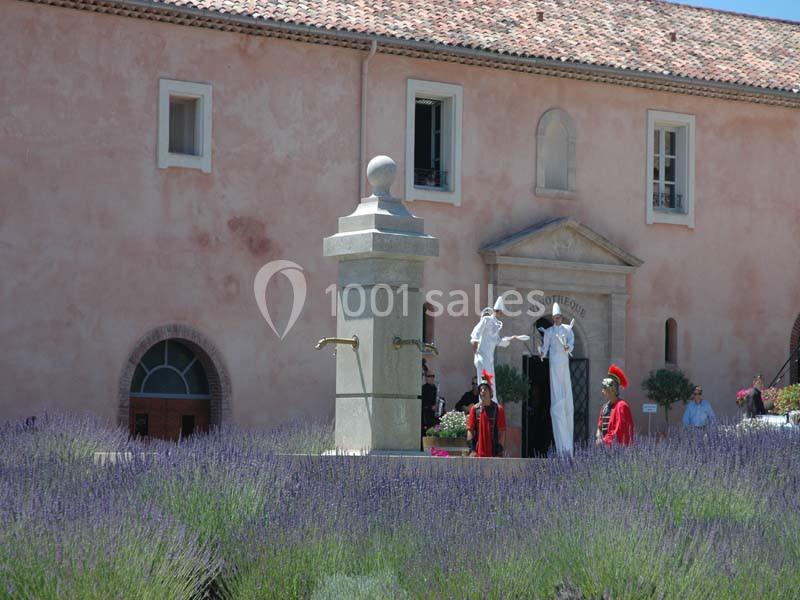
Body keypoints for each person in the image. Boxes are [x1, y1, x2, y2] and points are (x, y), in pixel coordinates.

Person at [469, 296, 523, 401]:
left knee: (490, 382)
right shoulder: (487, 319)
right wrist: (475, 341)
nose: (501, 314)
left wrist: (511, 338)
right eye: (500, 312)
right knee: (483, 381)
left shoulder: (496, 325)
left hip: (489, 358)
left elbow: (498, 341)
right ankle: (484, 404)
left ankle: (491, 402)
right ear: (497, 311)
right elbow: (477, 331)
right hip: (482, 355)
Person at [538, 303, 575, 456]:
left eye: (559, 317)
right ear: (553, 318)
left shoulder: (567, 329)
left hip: (564, 361)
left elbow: (572, 342)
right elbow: (545, 346)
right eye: (555, 317)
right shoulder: (550, 331)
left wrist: (569, 348)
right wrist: (542, 354)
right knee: (556, 387)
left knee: (565, 385)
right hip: (554, 361)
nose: (557, 319)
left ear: (561, 317)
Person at [467, 371, 506, 457]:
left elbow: (501, 432)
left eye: (485, 389)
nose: (482, 391)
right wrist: (472, 449)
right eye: (481, 389)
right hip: (477, 452)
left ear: (491, 392)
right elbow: (470, 430)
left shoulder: (498, 409)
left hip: (493, 452)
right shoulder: (474, 409)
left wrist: (499, 450)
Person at [595, 364, 634, 447]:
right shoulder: (604, 407)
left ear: (612, 390)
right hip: (604, 447)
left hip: (616, 449)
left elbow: (620, 431)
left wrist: (605, 441)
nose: (602, 391)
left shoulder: (622, 406)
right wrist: (598, 436)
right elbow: (599, 426)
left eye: (604, 388)